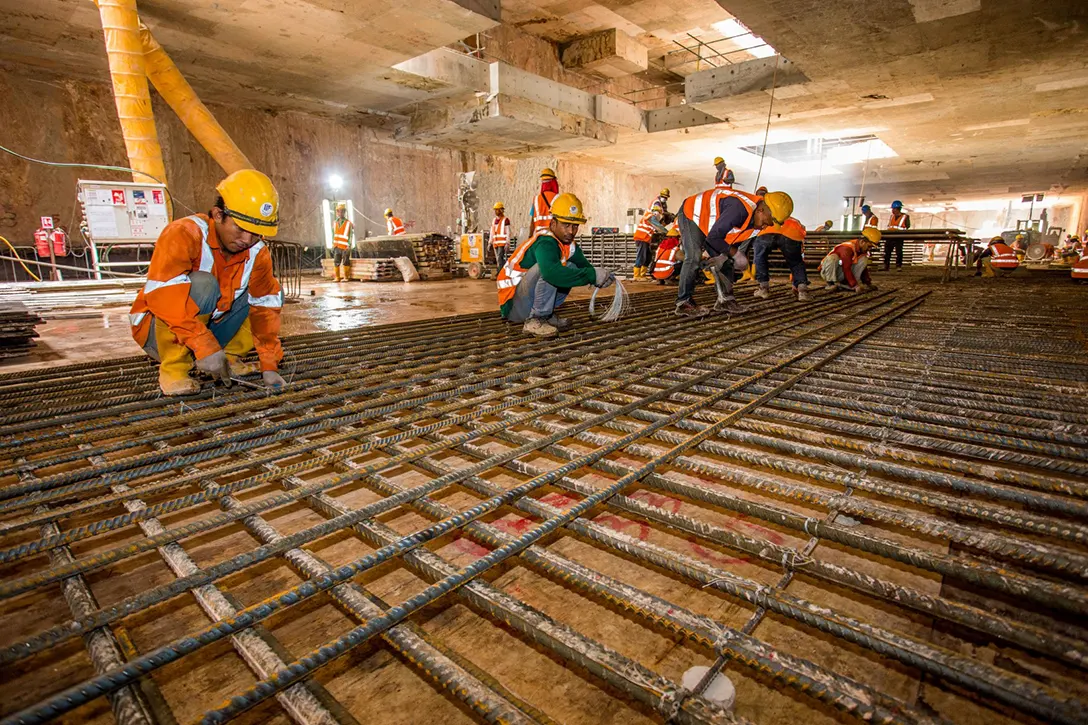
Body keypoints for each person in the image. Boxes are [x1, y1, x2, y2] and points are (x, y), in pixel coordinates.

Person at [129, 169, 286, 396]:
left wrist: (269, 365)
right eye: (241, 228)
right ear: (218, 214)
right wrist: (203, 345)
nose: (246, 240)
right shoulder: (184, 234)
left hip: (209, 337)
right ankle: (174, 370)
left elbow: (265, 311)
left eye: (256, 233)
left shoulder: (257, 253)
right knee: (204, 285)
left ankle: (229, 359)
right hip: (160, 337)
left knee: (270, 294)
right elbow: (163, 298)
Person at [497, 192, 613, 337]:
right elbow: (550, 273)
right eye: (566, 225)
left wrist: (601, 276)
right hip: (513, 306)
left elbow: (585, 268)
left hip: (527, 301)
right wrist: (591, 275)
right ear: (553, 224)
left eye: (575, 226)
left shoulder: (568, 245)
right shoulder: (545, 242)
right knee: (549, 271)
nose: (571, 231)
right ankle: (536, 319)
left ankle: (546, 315)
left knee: (571, 266)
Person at [674, 184, 793, 317]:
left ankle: (725, 300)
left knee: (727, 261)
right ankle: (683, 302)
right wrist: (735, 254)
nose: (767, 226)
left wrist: (724, 257)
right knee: (694, 256)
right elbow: (714, 238)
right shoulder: (739, 209)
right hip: (692, 213)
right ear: (761, 211)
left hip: (711, 225)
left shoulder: (757, 223)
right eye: (768, 222)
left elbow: (730, 242)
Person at [753, 216, 810, 301]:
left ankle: (763, 289)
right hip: (791, 232)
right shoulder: (793, 221)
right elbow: (802, 233)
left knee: (760, 257)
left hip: (766, 231)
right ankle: (802, 292)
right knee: (796, 261)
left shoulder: (766, 217)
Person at [821, 227, 879, 293]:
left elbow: (863, 268)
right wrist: (855, 286)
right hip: (828, 272)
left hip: (840, 272)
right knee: (833, 258)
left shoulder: (861, 250)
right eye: (869, 246)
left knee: (863, 259)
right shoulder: (847, 248)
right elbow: (846, 268)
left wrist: (868, 283)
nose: (869, 249)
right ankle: (830, 283)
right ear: (862, 242)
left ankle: (847, 284)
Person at [632, 188, 670, 280]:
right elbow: (656, 224)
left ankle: (642, 274)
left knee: (648, 256)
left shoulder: (656, 215)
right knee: (641, 255)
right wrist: (666, 231)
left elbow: (659, 224)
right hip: (641, 237)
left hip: (646, 238)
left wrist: (667, 221)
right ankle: (636, 276)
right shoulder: (651, 214)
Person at [530, 167, 559, 236]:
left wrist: (530, 237)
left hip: (538, 235)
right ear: (554, 182)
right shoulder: (558, 198)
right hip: (552, 235)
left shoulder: (536, 199)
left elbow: (532, 222)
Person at [883, 200, 910, 271]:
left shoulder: (905, 216)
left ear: (897, 209)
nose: (892, 210)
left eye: (893, 209)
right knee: (887, 251)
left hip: (899, 236)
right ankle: (886, 266)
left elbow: (907, 226)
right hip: (890, 236)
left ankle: (898, 266)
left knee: (899, 252)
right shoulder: (892, 216)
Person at [331, 202, 354, 282]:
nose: (340, 213)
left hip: (345, 247)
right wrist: (332, 244)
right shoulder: (334, 223)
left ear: (344, 212)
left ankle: (346, 277)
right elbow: (333, 234)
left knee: (345, 262)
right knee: (336, 262)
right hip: (336, 246)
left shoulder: (348, 223)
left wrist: (349, 245)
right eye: (339, 211)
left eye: (342, 211)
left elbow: (350, 235)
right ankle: (337, 277)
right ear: (337, 212)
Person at [490, 201, 512, 270]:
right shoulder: (494, 220)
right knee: (498, 259)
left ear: (501, 210)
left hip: (502, 243)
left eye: (497, 209)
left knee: (500, 257)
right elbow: (492, 232)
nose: (496, 211)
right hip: (495, 243)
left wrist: (507, 243)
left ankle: (499, 272)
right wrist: (490, 242)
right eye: (495, 210)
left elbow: (508, 232)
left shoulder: (505, 220)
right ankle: (503, 270)